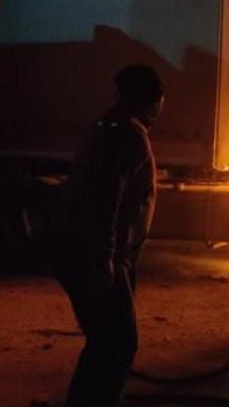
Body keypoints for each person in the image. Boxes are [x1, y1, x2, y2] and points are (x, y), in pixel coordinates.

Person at [50, 64, 163, 407]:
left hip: (85, 250)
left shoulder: (109, 125)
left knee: (106, 341)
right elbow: (105, 200)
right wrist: (104, 259)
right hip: (93, 254)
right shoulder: (128, 135)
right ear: (153, 100)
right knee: (117, 343)